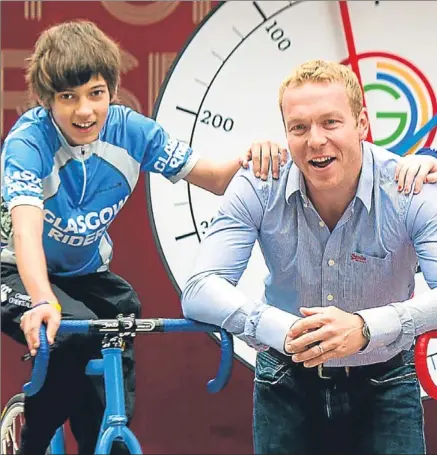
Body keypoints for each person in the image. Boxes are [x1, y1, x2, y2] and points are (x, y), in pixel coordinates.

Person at [0, 20, 290, 455]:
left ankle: (106, 436)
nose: (85, 111)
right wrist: (42, 300)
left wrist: (256, 152)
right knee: (73, 331)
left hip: (85, 273)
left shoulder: (132, 131)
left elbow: (212, 178)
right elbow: (26, 230)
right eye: (68, 97)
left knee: (123, 314)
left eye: (96, 94)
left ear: (111, 91)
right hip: (16, 271)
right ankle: (33, 444)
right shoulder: (28, 141)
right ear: (46, 100)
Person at [181, 60, 437, 455]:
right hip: (284, 379)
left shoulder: (407, 188)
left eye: (330, 122)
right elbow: (199, 288)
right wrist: (282, 330)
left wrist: (366, 327)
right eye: (299, 127)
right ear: (285, 133)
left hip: (386, 381)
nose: (315, 140)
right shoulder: (259, 182)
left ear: (363, 124)